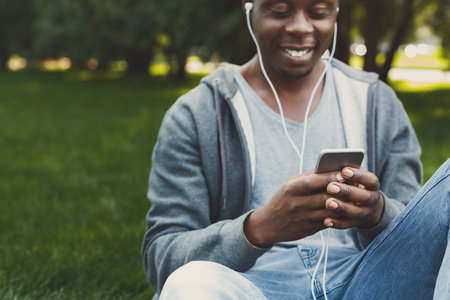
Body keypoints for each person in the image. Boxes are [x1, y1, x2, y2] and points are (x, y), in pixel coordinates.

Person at [142, 0, 450, 299]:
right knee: (190, 283)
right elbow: (163, 255)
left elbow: (420, 236)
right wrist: (258, 228)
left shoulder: (376, 102)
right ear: (249, 6)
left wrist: (376, 212)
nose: (301, 27)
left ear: (337, 10)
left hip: (365, 280)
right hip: (249, 287)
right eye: (280, 10)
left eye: (318, 12)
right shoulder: (198, 114)